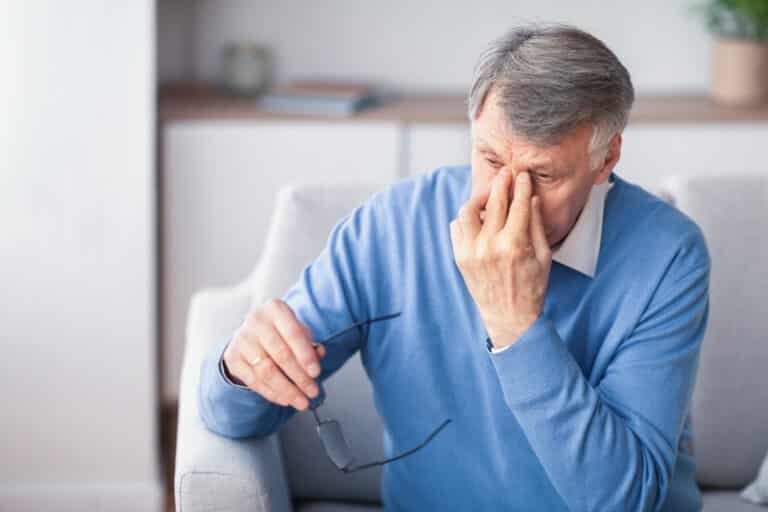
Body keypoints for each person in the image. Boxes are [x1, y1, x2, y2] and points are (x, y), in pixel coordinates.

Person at [199, 24, 709, 511]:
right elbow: (236, 410)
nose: (505, 200)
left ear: (606, 159)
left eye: (542, 174)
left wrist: (516, 324)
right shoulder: (391, 227)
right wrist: (238, 369)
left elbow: (622, 500)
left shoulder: (668, 255)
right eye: (489, 160)